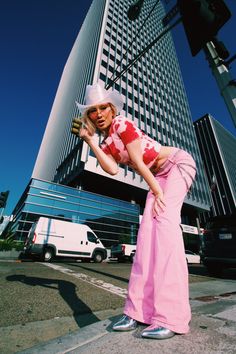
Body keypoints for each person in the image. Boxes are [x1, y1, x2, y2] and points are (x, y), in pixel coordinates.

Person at [72, 83, 196, 340]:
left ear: (112, 108)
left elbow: (138, 163)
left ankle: (171, 317)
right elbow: (112, 169)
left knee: (164, 227)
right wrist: (89, 140)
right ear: (90, 116)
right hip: (157, 177)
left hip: (177, 165)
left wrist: (159, 194)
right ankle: (137, 312)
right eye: (93, 111)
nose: (99, 114)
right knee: (146, 236)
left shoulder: (122, 124)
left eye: (103, 107)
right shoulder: (106, 141)